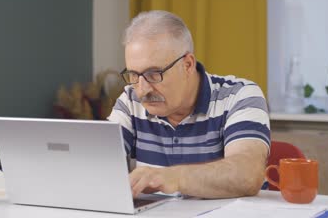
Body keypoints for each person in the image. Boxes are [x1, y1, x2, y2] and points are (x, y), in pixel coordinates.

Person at [107, 10, 270, 199]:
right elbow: (97, 160)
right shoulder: (130, 99)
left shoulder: (240, 95)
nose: (142, 90)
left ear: (188, 65)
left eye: (154, 74)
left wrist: (173, 178)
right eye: (134, 75)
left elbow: (247, 175)